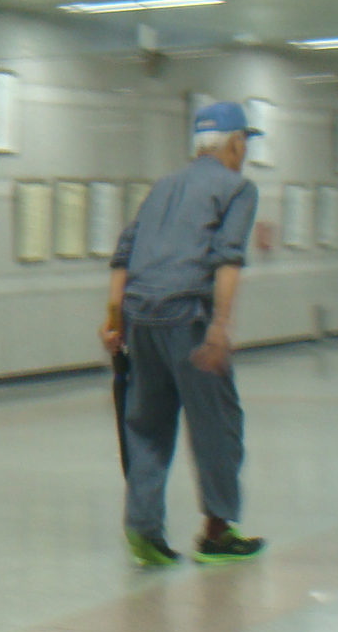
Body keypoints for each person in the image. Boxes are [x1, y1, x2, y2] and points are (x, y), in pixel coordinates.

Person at [99, 101, 268, 568]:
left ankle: (144, 530)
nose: (245, 152)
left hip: (140, 318)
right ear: (235, 143)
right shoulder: (238, 188)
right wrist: (220, 327)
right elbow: (228, 259)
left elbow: (123, 255)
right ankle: (217, 532)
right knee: (217, 423)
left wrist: (113, 320)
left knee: (146, 425)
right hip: (189, 317)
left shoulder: (163, 186)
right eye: (245, 143)